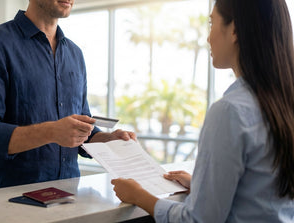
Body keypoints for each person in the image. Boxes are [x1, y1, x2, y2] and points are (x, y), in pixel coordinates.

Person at [111, 0, 294, 222]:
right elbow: (263, 190)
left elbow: (198, 220)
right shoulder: (284, 104)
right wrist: (202, 185)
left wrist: (140, 196)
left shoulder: (230, 111)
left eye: (211, 23)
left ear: (234, 29)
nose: (208, 37)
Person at [0, 0, 136, 190]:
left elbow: (81, 132)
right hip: (14, 200)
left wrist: (107, 140)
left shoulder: (75, 54)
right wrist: (52, 131)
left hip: (70, 195)